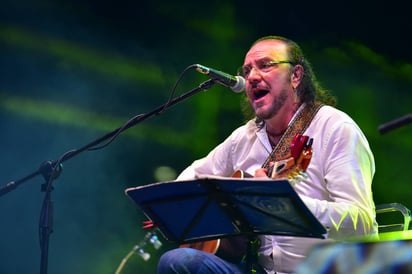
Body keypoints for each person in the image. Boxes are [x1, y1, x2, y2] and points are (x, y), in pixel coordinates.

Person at [157, 35, 378, 274]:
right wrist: (173, 209)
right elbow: (194, 176)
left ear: (295, 76)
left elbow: (362, 224)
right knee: (178, 261)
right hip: (259, 269)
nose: (251, 76)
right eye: (247, 69)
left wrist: (285, 204)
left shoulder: (335, 128)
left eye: (265, 65)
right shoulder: (244, 138)